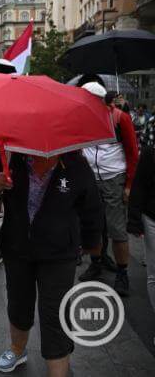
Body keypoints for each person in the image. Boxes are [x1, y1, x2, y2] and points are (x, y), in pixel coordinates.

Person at [0, 152, 102, 376]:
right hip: (17, 247)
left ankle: (58, 368)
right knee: (19, 302)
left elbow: (92, 207)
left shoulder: (75, 163)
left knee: (55, 312)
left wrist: (91, 244)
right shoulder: (12, 155)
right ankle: (17, 350)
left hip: (59, 254)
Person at [79, 82, 138, 296]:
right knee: (94, 226)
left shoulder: (120, 118)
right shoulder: (81, 118)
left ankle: (122, 273)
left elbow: (133, 153)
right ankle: (97, 262)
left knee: (116, 229)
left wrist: (129, 185)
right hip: (90, 178)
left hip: (114, 178)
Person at [128, 144, 155, 321]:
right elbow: (139, 186)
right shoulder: (150, 153)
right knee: (154, 275)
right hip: (152, 219)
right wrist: (135, 220)